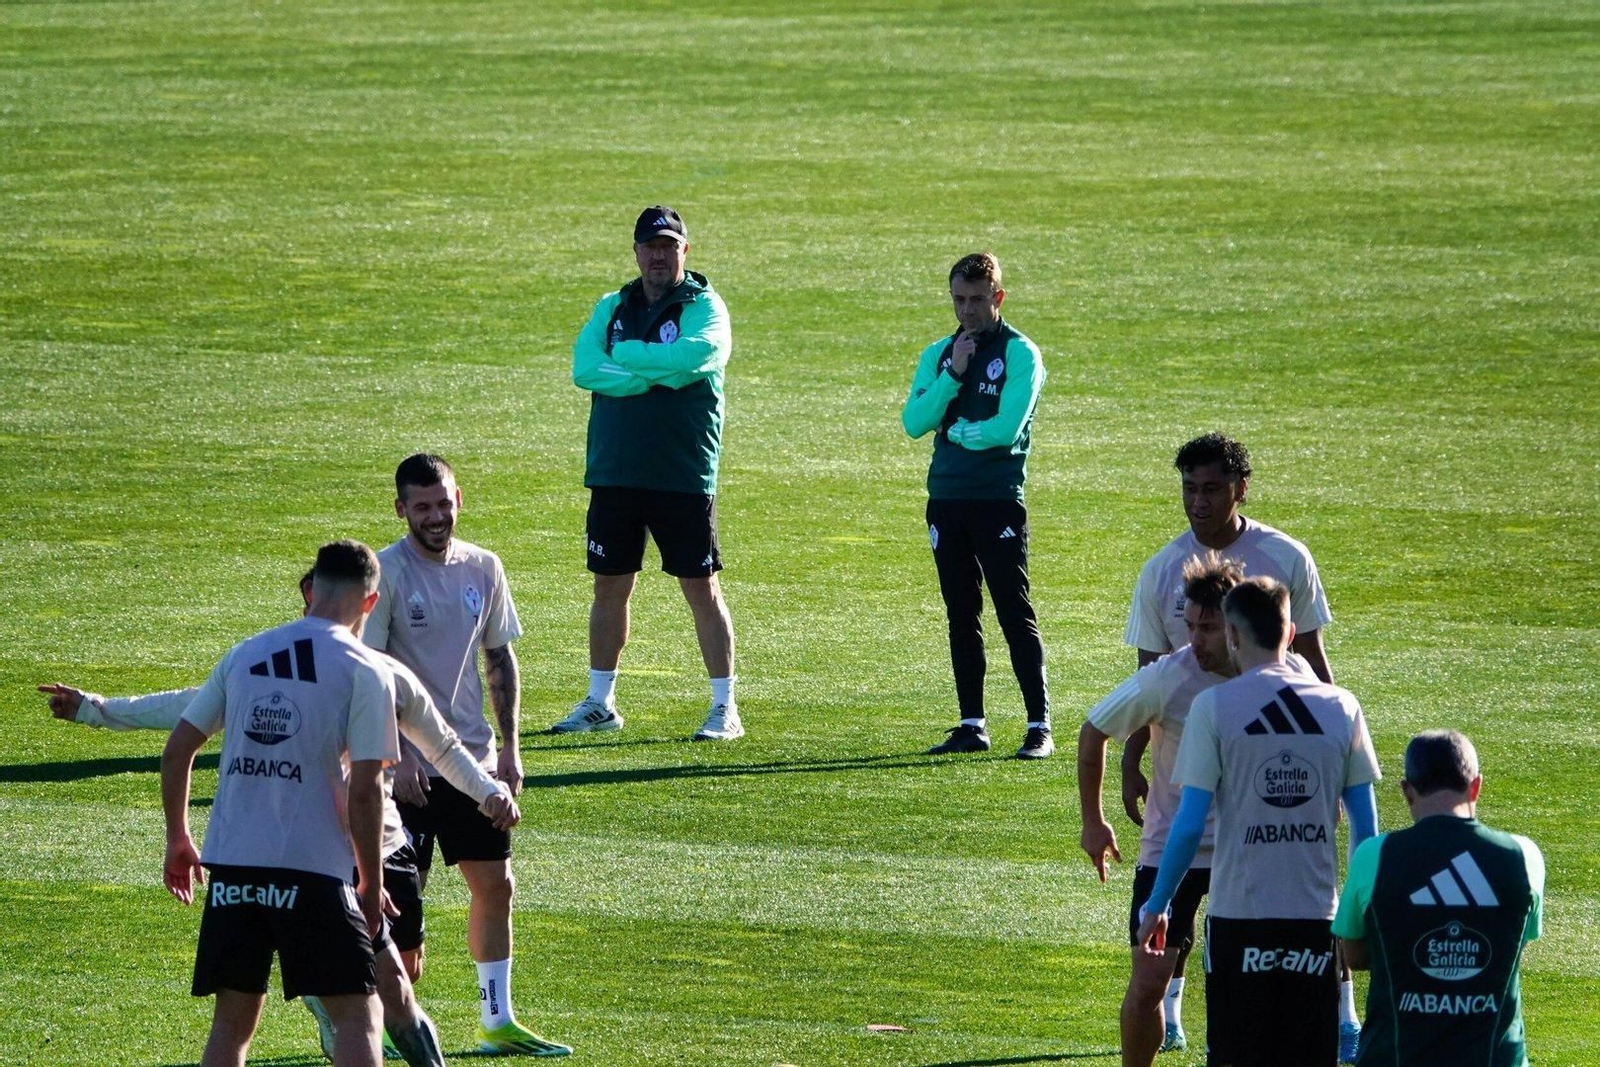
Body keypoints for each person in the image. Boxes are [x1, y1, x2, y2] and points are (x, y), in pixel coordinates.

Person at [39, 567, 521, 1067]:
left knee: (390, 982)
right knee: (367, 1007)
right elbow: (374, 782)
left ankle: (323, 988)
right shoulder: (342, 668)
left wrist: (486, 789)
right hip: (329, 866)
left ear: (318, 596)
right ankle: (327, 993)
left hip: (320, 854)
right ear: (370, 602)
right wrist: (95, 708)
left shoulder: (271, 659)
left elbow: (440, 746)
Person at [1118, 432, 1359, 1052]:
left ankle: (1344, 1015)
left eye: (1211, 489)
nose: (1198, 502)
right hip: (1188, 762)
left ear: (1240, 489)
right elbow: (1149, 677)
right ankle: (1170, 1016)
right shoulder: (1162, 568)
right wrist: (1132, 761)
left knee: (1297, 900)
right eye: (1189, 489)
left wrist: (1328, 745)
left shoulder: (1285, 555)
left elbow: (1312, 657)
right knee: (1189, 916)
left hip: (1271, 764)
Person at [159, 540, 399, 1067]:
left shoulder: (245, 653)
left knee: (232, 1025)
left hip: (232, 864)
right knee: (359, 1016)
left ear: (312, 591)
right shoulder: (367, 669)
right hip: (312, 870)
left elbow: (178, 749)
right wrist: (371, 883)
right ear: (370, 601)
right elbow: (365, 790)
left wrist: (179, 838)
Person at [365, 453, 570, 1056]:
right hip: (406, 771)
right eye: (421, 506)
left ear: (460, 499)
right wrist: (396, 755)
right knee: (403, 928)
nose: (435, 516)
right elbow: (372, 674)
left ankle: (496, 1018)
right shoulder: (385, 572)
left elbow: (499, 658)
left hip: (470, 760)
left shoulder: (484, 567)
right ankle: (367, 1023)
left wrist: (509, 750)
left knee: (495, 884)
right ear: (401, 508)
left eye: (443, 503)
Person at [1078, 553, 1318, 1063]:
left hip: (1250, 851)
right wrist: (1093, 822)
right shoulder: (1171, 676)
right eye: (1188, 626)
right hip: (1172, 850)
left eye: (1208, 629)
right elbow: (1094, 728)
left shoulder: (1284, 671)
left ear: (1235, 627)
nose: (1196, 642)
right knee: (1146, 985)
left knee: (1256, 987)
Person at [1135, 576, 1381, 1067]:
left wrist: (1158, 904)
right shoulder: (1342, 706)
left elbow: (1188, 824)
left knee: (1237, 1053)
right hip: (1317, 918)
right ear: (1291, 635)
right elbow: (1366, 828)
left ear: (1231, 634)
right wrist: (1357, 908)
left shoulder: (1215, 707)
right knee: (1310, 1053)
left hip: (1239, 918)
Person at [556, 205, 741, 742]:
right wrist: (653, 374)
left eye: (668, 245)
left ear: (685, 250)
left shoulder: (703, 306)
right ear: (636, 250)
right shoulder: (612, 304)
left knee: (700, 587)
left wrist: (629, 358)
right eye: (649, 246)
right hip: (615, 469)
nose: (658, 255)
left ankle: (725, 706)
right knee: (610, 586)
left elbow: (696, 358)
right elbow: (584, 368)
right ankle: (600, 701)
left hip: (681, 472)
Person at [901, 252, 1051, 759]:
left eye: (978, 300)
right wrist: (952, 376)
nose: (967, 310)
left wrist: (964, 430)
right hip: (946, 500)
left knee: (1013, 609)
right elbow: (914, 421)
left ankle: (1038, 724)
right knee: (961, 611)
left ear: (998, 298)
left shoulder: (1021, 353)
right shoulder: (938, 354)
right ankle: (972, 724)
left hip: (997, 501)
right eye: (960, 300)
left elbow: (1008, 429)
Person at [1334, 730, 1544, 1066]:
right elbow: (1514, 945)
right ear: (1476, 786)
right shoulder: (1524, 856)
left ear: (1407, 791)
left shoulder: (1374, 856)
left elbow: (1355, 954)